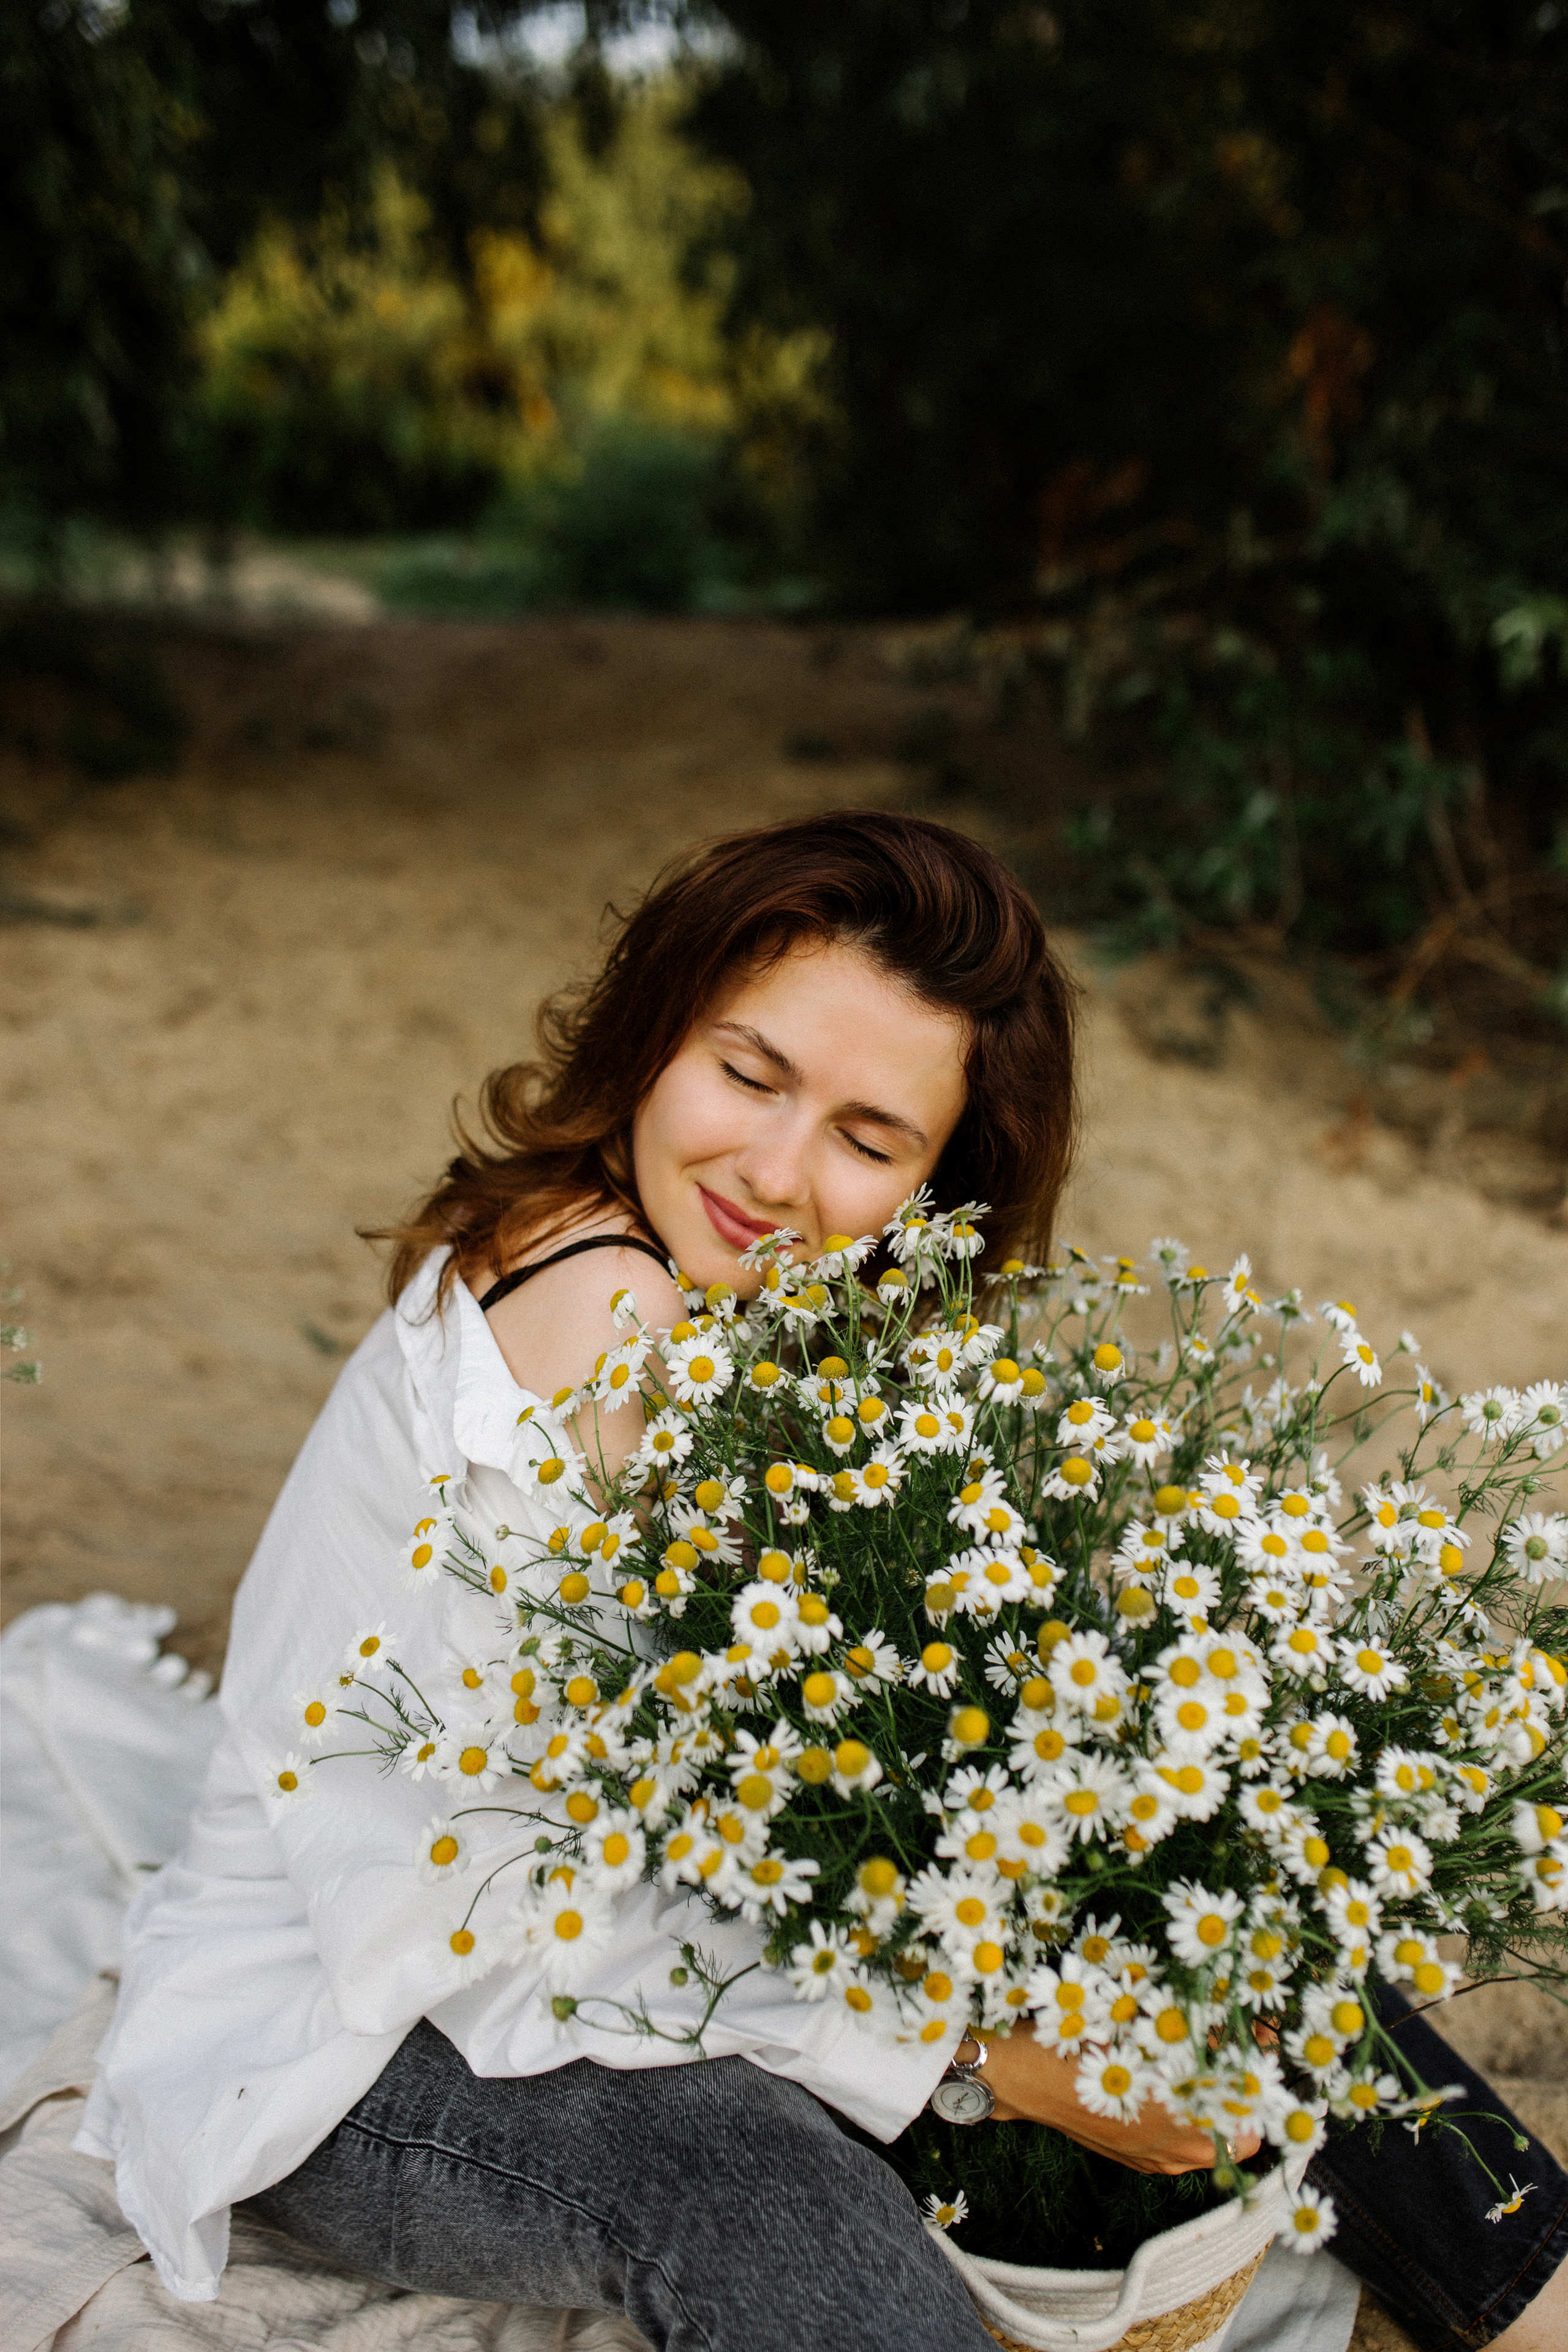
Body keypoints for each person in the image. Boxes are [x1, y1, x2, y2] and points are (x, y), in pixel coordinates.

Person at [79, 812, 1568, 2352]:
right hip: (354, 2042)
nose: (773, 1175)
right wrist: (980, 2059)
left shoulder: (775, 1347)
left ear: (937, 1189)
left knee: (1214, 1889)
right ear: (658, 1036)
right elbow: (512, 1927)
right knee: (754, 2189)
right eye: (747, 1074)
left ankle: (1534, 2296)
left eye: (867, 1142)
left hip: (614, 1923)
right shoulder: (606, 1309)